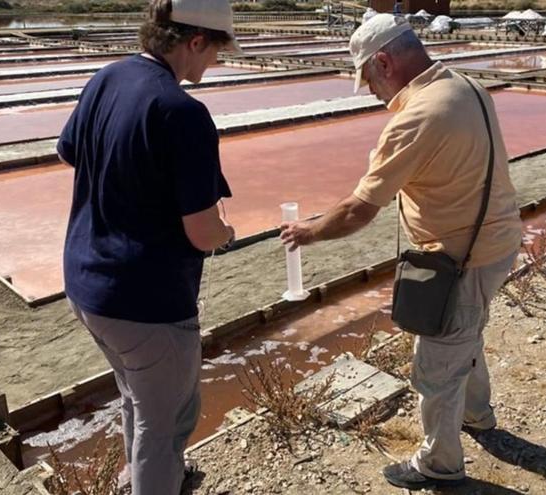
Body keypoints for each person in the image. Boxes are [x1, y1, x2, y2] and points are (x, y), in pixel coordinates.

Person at [279, 14, 522, 491]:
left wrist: (306, 232)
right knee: (467, 331)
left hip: (459, 259)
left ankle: (440, 465)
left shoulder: (417, 116)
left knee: (437, 366)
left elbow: (357, 210)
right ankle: (479, 415)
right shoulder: (464, 84)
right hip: (497, 242)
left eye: (368, 77)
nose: (370, 90)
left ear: (385, 62)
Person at [56, 0, 238, 493]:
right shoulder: (182, 112)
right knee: (168, 423)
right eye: (217, 51)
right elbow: (202, 230)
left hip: (86, 281)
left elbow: (71, 150)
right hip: (147, 302)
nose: (216, 63)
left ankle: (142, 478)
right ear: (195, 41)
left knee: (138, 396)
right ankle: (155, 481)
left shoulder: (107, 78)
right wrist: (227, 235)